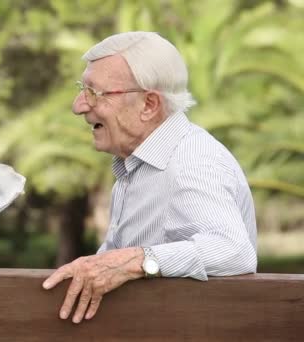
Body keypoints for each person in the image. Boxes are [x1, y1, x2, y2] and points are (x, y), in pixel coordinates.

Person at [42, 31, 257, 323]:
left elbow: (233, 251)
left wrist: (137, 260)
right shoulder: (137, 165)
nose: (78, 105)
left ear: (149, 105)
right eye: (83, 89)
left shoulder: (193, 161)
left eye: (95, 92)